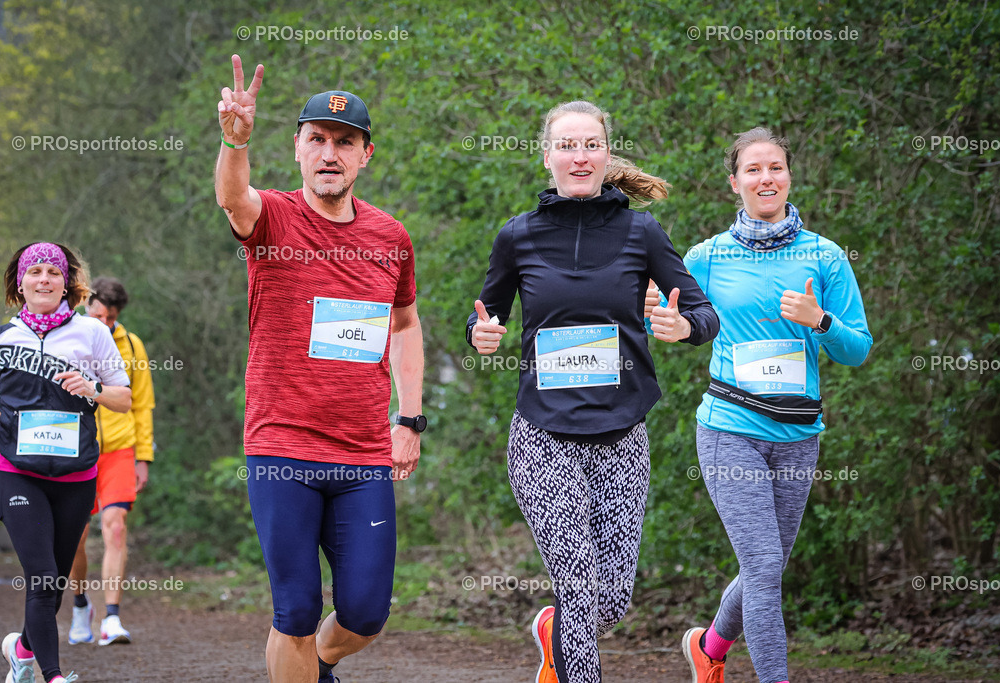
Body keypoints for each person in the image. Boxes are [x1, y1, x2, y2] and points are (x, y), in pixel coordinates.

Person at [467, 101, 719, 683]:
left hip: (621, 435)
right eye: (567, 145)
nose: (579, 157)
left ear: (607, 155)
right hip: (542, 435)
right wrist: (481, 335)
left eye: (591, 145)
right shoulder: (517, 236)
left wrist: (683, 327)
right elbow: (486, 314)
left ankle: (553, 632)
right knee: (578, 583)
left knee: (610, 600)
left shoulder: (642, 232)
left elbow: (705, 314)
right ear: (547, 156)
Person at [214, 55, 424, 683]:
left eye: (344, 142)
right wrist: (235, 142)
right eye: (317, 140)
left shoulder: (390, 237)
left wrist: (409, 418)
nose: (330, 153)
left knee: (366, 612)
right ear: (298, 148)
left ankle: (319, 666)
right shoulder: (274, 216)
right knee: (297, 609)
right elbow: (233, 197)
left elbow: (404, 325)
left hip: (362, 453)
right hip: (282, 446)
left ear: (365, 155)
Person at [647, 127, 872, 683]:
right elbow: (672, 322)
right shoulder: (706, 257)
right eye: (753, 169)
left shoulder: (824, 256)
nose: (765, 178)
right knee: (766, 565)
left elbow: (857, 350)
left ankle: (710, 647)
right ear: (735, 182)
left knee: (765, 570)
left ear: (789, 176)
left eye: (775, 167)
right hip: (730, 428)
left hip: (798, 434)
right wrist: (664, 321)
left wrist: (820, 321)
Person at [0, 242, 132, 683]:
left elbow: (123, 398)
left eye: (53, 272)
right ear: (20, 283)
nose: (44, 279)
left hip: (76, 477)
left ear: (66, 283)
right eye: (35, 272)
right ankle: (53, 676)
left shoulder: (92, 333)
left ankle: (21, 652)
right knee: (43, 577)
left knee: (54, 584)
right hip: (18, 472)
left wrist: (93, 389)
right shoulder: (2, 338)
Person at [68, 276, 156, 646]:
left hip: (120, 449)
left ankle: (112, 618)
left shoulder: (131, 345)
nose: (104, 324)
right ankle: (79, 605)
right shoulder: (67, 339)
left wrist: (143, 457)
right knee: (75, 535)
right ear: (85, 306)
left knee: (115, 526)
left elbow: (143, 404)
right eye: (98, 315)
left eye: (111, 318)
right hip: (76, 448)